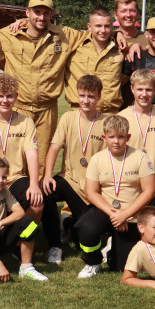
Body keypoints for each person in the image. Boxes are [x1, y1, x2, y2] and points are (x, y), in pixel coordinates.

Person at [0, 73, 54, 280]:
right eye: (0, 96)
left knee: (37, 202)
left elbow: (31, 154)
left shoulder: (25, 121)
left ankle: (21, 250)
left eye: (9, 96)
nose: (5, 101)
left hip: (13, 178)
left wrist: (33, 183)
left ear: (16, 97)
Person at [0, 0, 87, 170]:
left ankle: (38, 196)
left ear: (51, 14)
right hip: (18, 107)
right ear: (27, 12)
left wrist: (121, 34)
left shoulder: (65, 35)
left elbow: (97, 34)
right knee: (14, 158)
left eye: (46, 13)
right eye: (36, 12)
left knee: (42, 160)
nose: (41, 17)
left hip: (46, 110)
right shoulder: (8, 34)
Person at [42, 74, 106, 265]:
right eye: (82, 95)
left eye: (91, 96)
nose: (86, 100)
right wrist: (46, 176)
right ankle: (55, 246)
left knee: (82, 238)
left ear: (99, 97)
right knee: (43, 192)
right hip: (68, 179)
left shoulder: (106, 121)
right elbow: (54, 148)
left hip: (91, 187)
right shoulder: (69, 117)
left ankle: (67, 224)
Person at [81, 114, 155, 275]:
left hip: (131, 215)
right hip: (107, 211)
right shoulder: (97, 159)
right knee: (86, 227)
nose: (116, 141)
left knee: (121, 267)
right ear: (104, 137)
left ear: (128, 137)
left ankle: (111, 250)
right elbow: (91, 192)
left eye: (121, 137)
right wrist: (114, 213)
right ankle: (93, 262)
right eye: (111, 137)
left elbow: (149, 190)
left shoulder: (140, 157)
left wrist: (126, 214)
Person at [119, 69, 155, 206]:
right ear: (132, 89)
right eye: (140, 89)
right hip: (131, 183)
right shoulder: (122, 118)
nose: (144, 94)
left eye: (149, 90)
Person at [65, 8, 125, 114]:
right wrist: (27, 22)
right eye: (98, 26)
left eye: (106, 26)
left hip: (109, 114)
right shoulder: (75, 45)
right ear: (89, 27)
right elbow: (53, 30)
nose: (102, 30)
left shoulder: (121, 47)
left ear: (111, 26)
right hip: (80, 113)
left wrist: (135, 45)